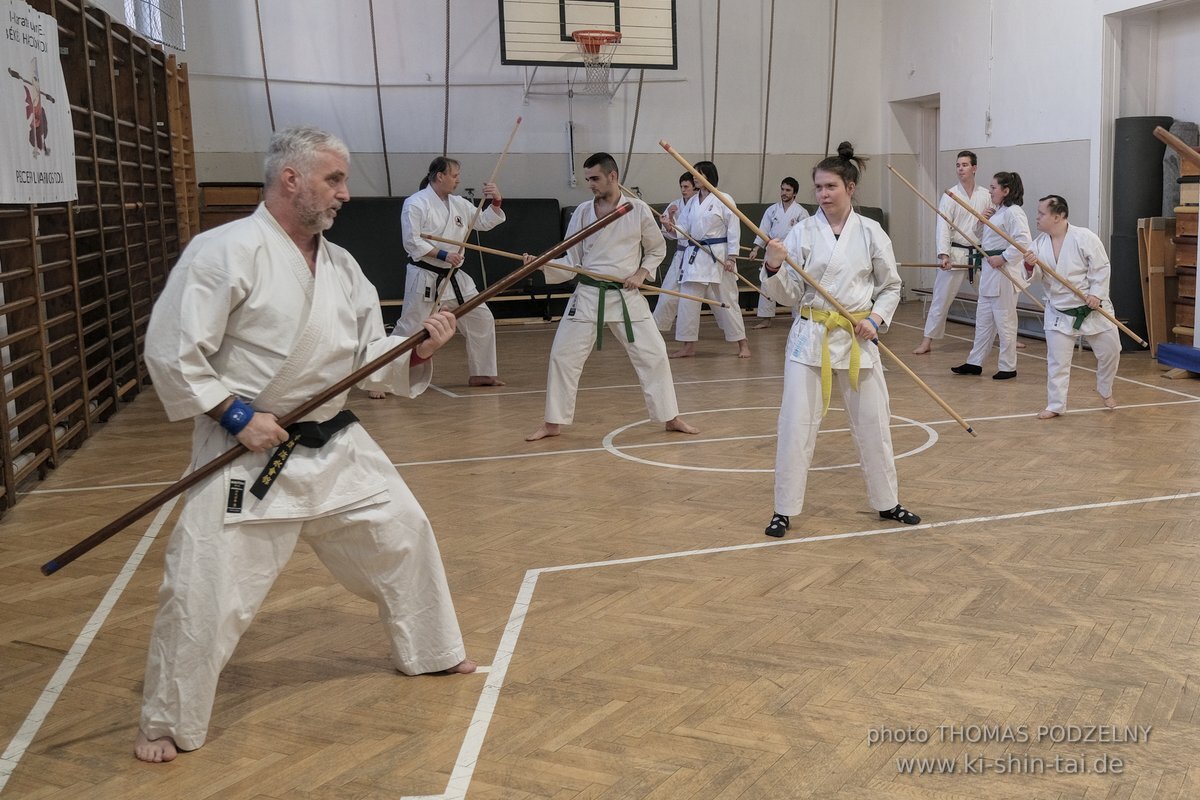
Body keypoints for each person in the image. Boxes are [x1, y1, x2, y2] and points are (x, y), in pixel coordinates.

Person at [134, 126, 475, 764]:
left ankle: (431, 651)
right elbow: (174, 351)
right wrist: (236, 413)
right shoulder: (224, 251)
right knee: (203, 585)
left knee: (404, 533)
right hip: (252, 449)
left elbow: (368, 357)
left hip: (335, 444)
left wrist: (418, 349)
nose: (346, 193)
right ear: (291, 180)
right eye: (335, 180)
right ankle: (168, 720)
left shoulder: (343, 268)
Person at [760, 141, 920, 538]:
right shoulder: (801, 233)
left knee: (874, 424)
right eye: (818, 188)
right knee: (795, 425)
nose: (823, 194)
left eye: (830, 186)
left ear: (850, 186)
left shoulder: (871, 232)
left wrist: (877, 319)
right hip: (809, 338)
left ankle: (887, 501)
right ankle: (784, 509)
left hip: (856, 339)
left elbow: (891, 286)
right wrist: (773, 264)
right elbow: (789, 294)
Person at [525, 153, 700, 441]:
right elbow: (571, 257)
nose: (590, 184)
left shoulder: (638, 210)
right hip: (589, 293)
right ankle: (552, 423)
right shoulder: (581, 212)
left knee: (654, 355)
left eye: (595, 178)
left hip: (626, 294)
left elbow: (657, 250)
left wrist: (642, 274)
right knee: (562, 356)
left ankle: (670, 416)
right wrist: (542, 264)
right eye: (587, 179)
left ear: (612, 176)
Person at [390, 156, 506, 390]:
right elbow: (411, 242)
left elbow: (482, 222)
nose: (458, 180)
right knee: (411, 327)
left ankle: (482, 373)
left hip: (455, 277)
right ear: (439, 176)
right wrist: (443, 255)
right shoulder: (416, 203)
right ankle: (383, 377)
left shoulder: (459, 203)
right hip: (425, 275)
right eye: (454, 175)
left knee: (481, 318)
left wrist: (496, 201)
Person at [1022, 195, 1120, 418]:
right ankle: (1056, 405)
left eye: (1041, 213)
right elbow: (1034, 277)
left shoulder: (1084, 237)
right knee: (1057, 362)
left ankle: (1105, 389)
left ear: (1058, 216)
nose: (1036, 217)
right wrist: (1029, 264)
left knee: (1111, 351)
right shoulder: (1038, 245)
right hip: (1060, 311)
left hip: (1092, 308)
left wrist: (1096, 294)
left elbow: (1101, 268)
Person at [950, 171, 1031, 380]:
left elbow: (1023, 242)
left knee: (1005, 323)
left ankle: (1008, 366)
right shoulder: (996, 212)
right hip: (989, 272)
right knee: (983, 321)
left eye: (994, 188)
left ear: (1006, 191)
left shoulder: (1014, 212)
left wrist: (1003, 258)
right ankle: (974, 362)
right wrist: (981, 221)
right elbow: (980, 238)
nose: (990, 191)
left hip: (1004, 273)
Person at [669, 160, 750, 359]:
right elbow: (683, 230)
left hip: (718, 256)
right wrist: (670, 224)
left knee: (728, 299)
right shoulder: (693, 202)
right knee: (688, 300)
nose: (694, 177)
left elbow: (733, 229)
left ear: (708, 176)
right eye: (693, 174)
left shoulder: (724, 199)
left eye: (698, 174)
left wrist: (732, 257)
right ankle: (688, 346)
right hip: (694, 256)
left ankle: (743, 344)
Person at [912, 151, 991, 354]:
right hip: (956, 253)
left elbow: (990, 227)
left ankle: (1006, 336)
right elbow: (943, 227)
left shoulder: (985, 195)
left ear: (974, 168)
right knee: (941, 299)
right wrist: (944, 255)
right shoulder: (950, 196)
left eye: (965, 165)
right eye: (958, 165)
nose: (960, 169)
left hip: (978, 254)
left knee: (991, 297)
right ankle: (927, 340)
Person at [747, 177, 809, 328]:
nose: (784, 193)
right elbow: (763, 231)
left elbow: (806, 235)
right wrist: (756, 248)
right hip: (773, 251)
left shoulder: (801, 212)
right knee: (768, 283)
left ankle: (797, 317)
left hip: (793, 254)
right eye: (782, 189)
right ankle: (766, 318)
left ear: (795, 193)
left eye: (788, 190)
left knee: (796, 284)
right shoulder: (772, 210)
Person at [652, 172, 698, 332]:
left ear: (695, 188)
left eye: (686, 187)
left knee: (716, 297)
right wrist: (669, 219)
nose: (683, 190)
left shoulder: (700, 205)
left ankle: (733, 331)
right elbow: (667, 233)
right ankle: (657, 327)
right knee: (668, 292)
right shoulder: (675, 205)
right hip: (681, 254)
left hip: (699, 255)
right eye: (681, 187)